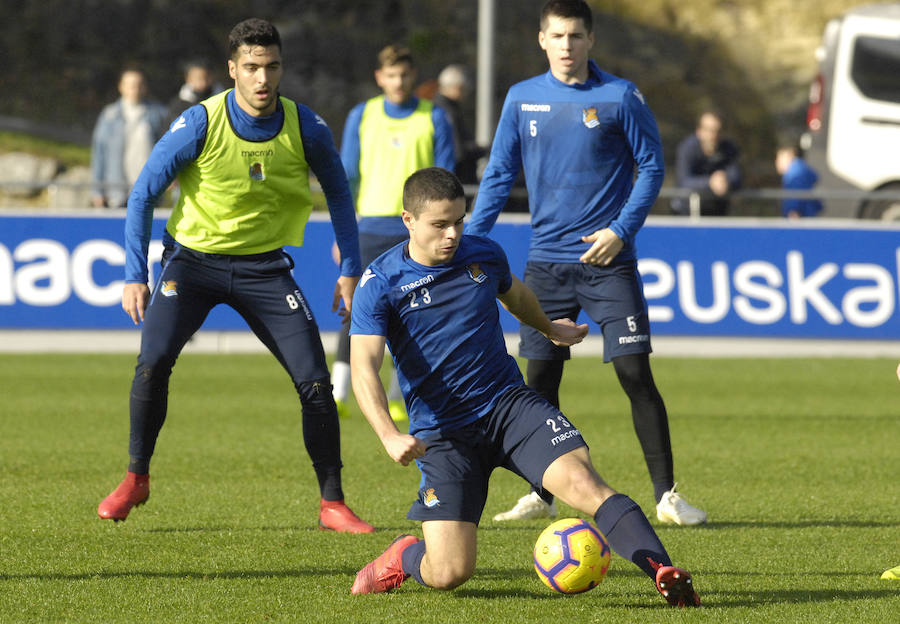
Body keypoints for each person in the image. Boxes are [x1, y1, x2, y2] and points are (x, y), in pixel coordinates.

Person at [348, 167, 700, 607]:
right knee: (449, 572)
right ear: (408, 220)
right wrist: (388, 433)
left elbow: (515, 295)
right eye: (440, 224)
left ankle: (662, 572)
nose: (453, 234)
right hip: (443, 433)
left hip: (510, 408)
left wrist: (548, 327)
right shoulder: (381, 282)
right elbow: (364, 365)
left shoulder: (483, 254)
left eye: (459, 221)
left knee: (584, 482)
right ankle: (405, 554)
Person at [96, 18, 374, 534]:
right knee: (152, 363)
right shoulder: (199, 122)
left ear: (281, 67)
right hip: (192, 265)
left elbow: (339, 193)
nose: (262, 78)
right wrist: (136, 274)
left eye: (270, 67)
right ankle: (136, 478)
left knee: (314, 381)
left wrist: (351, 270)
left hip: (264, 270)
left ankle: (332, 503)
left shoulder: (305, 125)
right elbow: (142, 195)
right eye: (250, 68)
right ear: (232, 70)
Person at [466, 0, 707, 526]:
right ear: (542, 40)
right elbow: (500, 174)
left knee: (633, 371)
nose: (568, 46)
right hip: (546, 265)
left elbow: (652, 166)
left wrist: (621, 231)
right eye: (558, 36)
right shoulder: (522, 98)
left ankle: (667, 495)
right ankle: (540, 493)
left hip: (608, 263)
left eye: (576, 36)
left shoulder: (620, 96)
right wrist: (473, 241)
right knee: (540, 382)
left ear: (590, 40)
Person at [331, 44, 455, 421]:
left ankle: (401, 394)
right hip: (369, 226)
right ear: (379, 77)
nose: (398, 82)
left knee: (417, 313)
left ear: (412, 76)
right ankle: (338, 392)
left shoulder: (433, 115)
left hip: (415, 230)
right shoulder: (362, 115)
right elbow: (347, 176)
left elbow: (445, 176)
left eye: (403, 75)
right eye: (391, 75)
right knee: (355, 309)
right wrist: (344, 232)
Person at [91, 67, 168, 208]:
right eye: (131, 85)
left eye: (139, 85)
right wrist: (97, 190)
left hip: (148, 191)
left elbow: (165, 151)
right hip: (116, 191)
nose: (135, 89)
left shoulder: (157, 114)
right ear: (121, 87)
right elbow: (99, 154)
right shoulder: (110, 115)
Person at [672, 110, 742, 216]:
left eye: (717, 131)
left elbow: (736, 177)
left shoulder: (729, 149)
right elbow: (683, 181)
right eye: (709, 130)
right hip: (686, 213)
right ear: (699, 131)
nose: (713, 135)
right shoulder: (687, 148)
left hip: (717, 212)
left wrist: (726, 181)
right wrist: (710, 183)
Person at [432, 64, 486, 185]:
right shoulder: (445, 112)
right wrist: (483, 150)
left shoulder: (439, 108)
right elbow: (458, 150)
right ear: (457, 88)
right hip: (456, 179)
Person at [167, 59, 224, 124]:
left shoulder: (224, 101)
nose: (203, 82)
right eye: (199, 78)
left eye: (206, 77)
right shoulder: (178, 106)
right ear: (188, 79)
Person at [775, 142, 823, 219]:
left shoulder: (795, 173)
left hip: (800, 218)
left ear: (787, 157)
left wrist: (793, 211)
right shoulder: (801, 170)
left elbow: (795, 195)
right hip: (809, 215)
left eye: (779, 158)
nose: (777, 162)